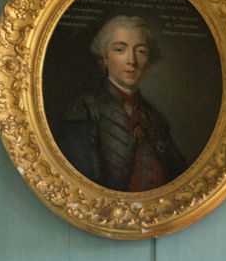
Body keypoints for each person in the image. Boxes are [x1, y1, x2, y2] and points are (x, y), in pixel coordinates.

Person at [53, 15, 189, 191]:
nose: (131, 61)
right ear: (105, 58)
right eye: (120, 49)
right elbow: (82, 183)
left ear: (148, 61)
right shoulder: (85, 110)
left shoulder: (156, 119)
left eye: (141, 51)